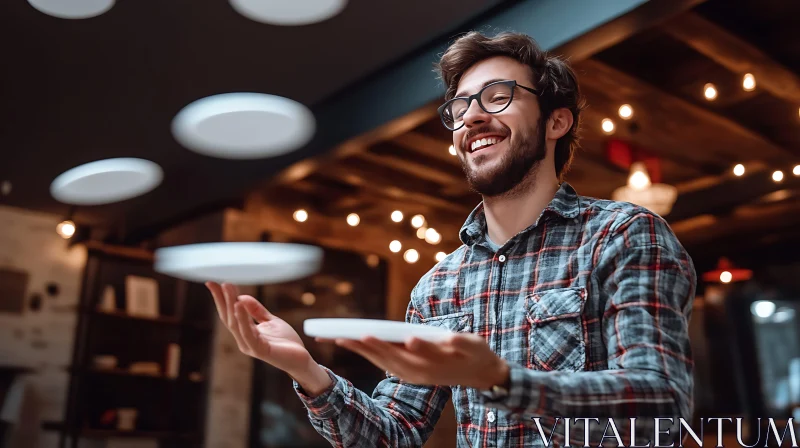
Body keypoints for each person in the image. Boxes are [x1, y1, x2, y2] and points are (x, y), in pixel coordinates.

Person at [206, 31, 696, 447]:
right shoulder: (437, 286)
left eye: (498, 96)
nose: (473, 117)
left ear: (556, 121)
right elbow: (393, 434)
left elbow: (661, 402)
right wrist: (307, 371)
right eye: (461, 106)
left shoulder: (624, 235)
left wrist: (501, 381)